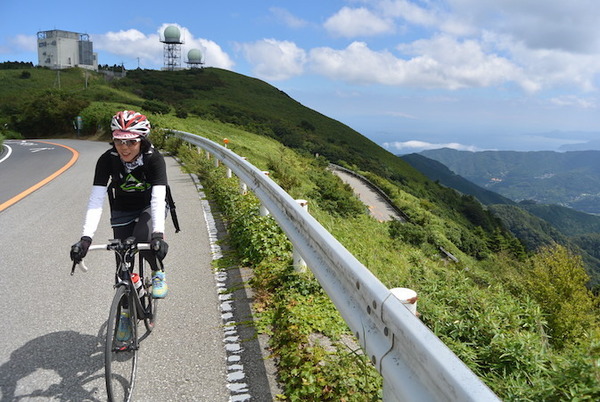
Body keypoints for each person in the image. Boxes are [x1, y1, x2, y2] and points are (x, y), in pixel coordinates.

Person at [70, 110, 169, 341]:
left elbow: (157, 198)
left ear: (141, 140)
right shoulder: (107, 160)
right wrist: (86, 238)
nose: (124, 148)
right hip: (122, 209)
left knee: (144, 241)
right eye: (118, 141)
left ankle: (157, 272)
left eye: (131, 142)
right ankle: (125, 314)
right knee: (122, 266)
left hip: (148, 206)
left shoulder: (154, 158)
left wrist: (158, 234)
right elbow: (96, 200)